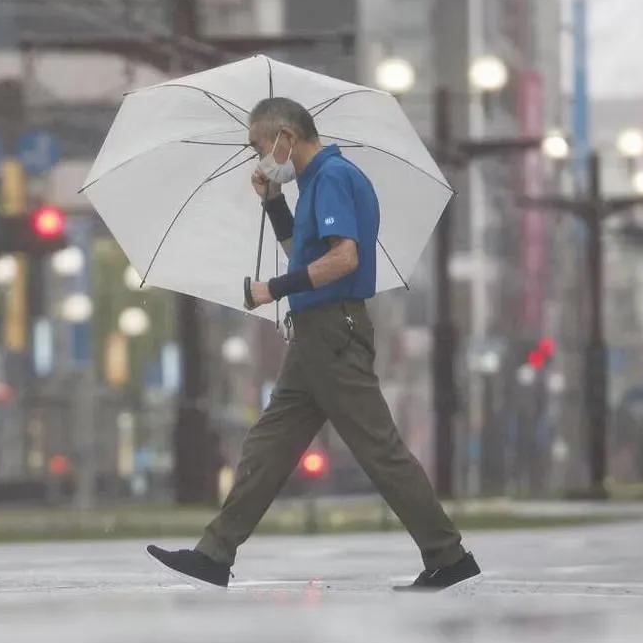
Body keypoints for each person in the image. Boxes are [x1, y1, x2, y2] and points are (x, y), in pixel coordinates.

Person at [147, 97, 481, 592]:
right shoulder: (312, 184)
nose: (259, 157)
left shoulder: (331, 177)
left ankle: (447, 555)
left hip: (332, 331)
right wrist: (273, 203)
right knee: (270, 444)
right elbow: (302, 254)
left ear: (286, 135)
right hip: (316, 334)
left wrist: (269, 290)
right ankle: (214, 553)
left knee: (378, 449)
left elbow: (343, 259)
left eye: (259, 146)